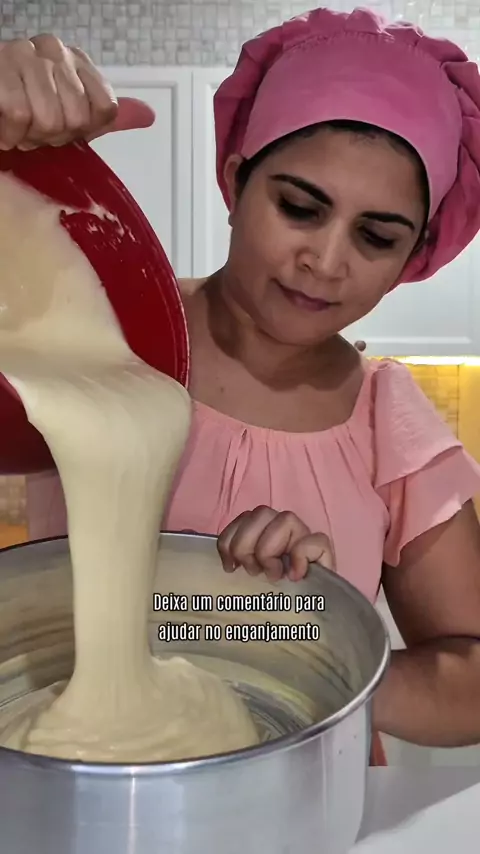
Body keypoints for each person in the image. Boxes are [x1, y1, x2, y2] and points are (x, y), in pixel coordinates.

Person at [1, 6, 480, 766]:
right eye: (299, 207)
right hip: (76, 777)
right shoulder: (94, 328)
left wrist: (314, 641)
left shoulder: (387, 423)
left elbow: (470, 679)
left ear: (412, 256)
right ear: (235, 179)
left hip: (296, 802)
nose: (325, 261)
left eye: (376, 236)